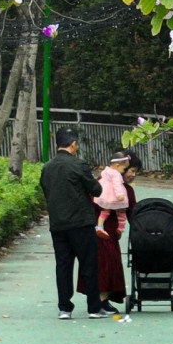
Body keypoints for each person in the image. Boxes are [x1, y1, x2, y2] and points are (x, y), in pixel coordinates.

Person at [39, 127, 110, 320]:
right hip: (80, 222)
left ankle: (65, 308)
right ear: (73, 144)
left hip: (58, 224)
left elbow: (45, 189)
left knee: (63, 266)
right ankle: (94, 308)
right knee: (88, 264)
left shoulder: (47, 167)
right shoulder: (78, 165)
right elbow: (96, 190)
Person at [80, 151, 140, 314]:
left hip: (111, 234)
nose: (133, 175)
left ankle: (102, 300)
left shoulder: (127, 190)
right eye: (131, 170)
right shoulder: (102, 183)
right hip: (96, 231)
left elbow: (133, 214)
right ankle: (100, 301)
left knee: (108, 265)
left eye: (135, 172)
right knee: (104, 265)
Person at [94, 152, 130, 237]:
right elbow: (117, 185)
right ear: (117, 165)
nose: (123, 171)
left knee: (105, 211)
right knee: (121, 211)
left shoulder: (106, 170)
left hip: (105, 195)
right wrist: (120, 195)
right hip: (114, 196)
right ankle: (121, 227)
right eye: (124, 168)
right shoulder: (116, 174)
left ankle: (99, 226)